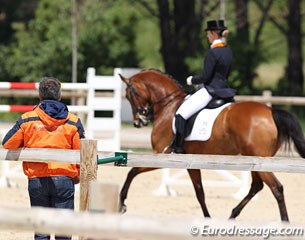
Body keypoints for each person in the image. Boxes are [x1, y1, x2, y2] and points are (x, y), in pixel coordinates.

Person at [2, 77, 85, 240]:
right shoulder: (74, 121)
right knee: (63, 231)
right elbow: (82, 152)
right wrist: (77, 174)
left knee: (41, 231)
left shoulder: (27, 118)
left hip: (37, 179)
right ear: (60, 96)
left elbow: (8, 143)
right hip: (64, 178)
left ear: (40, 96)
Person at [173, 19, 236, 154]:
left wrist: (192, 80)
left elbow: (206, 77)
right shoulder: (228, 51)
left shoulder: (212, 52)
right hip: (225, 90)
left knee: (180, 114)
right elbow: (226, 73)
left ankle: (178, 149)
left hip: (211, 91)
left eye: (208, 33)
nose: (207, 36)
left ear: (213, 33)